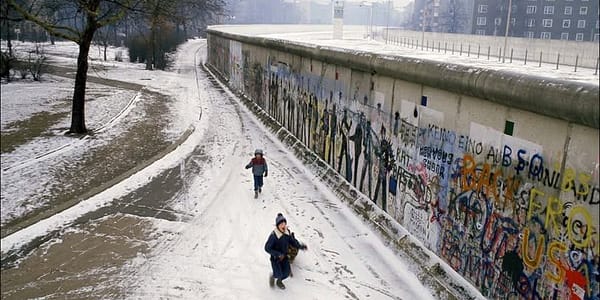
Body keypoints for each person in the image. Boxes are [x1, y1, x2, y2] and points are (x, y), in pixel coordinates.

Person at [264, 213, 307, 289]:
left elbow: (293, 242)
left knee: (286, 273)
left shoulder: (287, 233)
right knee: (278, 274)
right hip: (275, 259)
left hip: (285, 257)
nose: (283, 225)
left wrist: (301, 246)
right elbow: (267, 248)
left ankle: (279, 281)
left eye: (284, 223)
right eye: (281, 224)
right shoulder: (273, 236)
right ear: (277, 225)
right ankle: (273, 276)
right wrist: (277, 254)